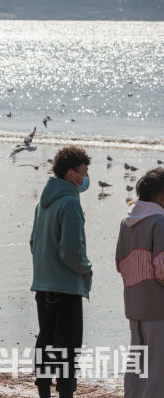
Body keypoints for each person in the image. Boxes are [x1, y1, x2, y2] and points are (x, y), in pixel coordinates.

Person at [30, 146, 92, 398]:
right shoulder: (70, 203)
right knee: (68, 344)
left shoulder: (43, 202)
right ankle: (65, 391)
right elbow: (70, 250)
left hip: (42, 284)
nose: (86, 177)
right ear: (70, 174)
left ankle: (44, 389)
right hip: (66, 286)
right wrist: (86, 269)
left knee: (46, 338)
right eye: (84, 171)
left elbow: (34, 242)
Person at [115, 167, 164, 397]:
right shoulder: (159, 222)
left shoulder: (127, 222)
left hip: (134, 303)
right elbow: (162, 268)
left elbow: (120, 264)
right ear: (160, 195)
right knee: (158, 368)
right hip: (158, 306)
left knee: (138, 365)